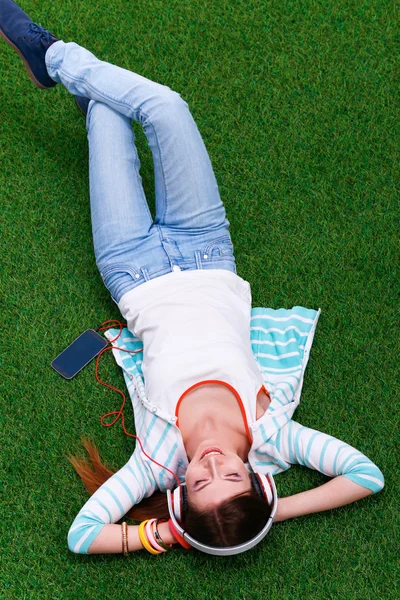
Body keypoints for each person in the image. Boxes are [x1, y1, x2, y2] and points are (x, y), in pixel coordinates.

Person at [1, 0, 384, 557]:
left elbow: (83, 535)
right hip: (207, 249)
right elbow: (366, 475)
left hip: (132, 267)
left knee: (109, 117)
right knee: (167, 107)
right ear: (257, 480)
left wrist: (163, 532)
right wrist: (278, 510)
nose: (210, 466)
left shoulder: (157, 458)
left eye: (200, 484)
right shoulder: (275, 435)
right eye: (231, 477)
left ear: (180, 495)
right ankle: (53, 57)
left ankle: (76, 77)